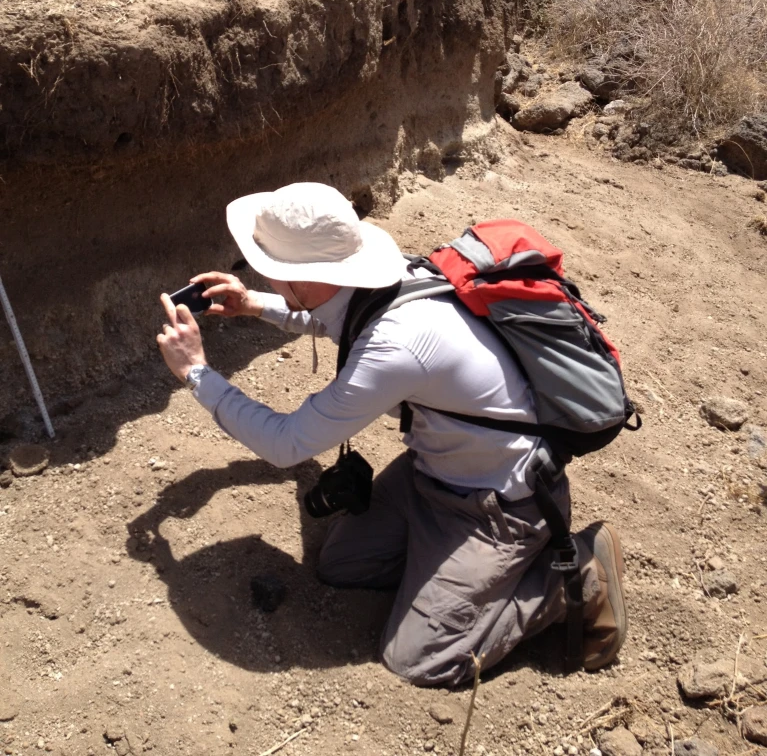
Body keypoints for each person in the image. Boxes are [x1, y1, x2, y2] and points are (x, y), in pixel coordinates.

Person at [157, 182, 627, 687]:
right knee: (341, 564)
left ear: (306, 276)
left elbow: (285, 444)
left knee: (417, 660)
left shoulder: (395, 348)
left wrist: (197, 374)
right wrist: (254, 303)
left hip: (500, 506)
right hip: (433, 476)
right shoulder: (396, 276)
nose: (258, 270)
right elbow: (334, 316)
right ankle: (453, 583)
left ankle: (573, 574)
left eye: (264, 264)